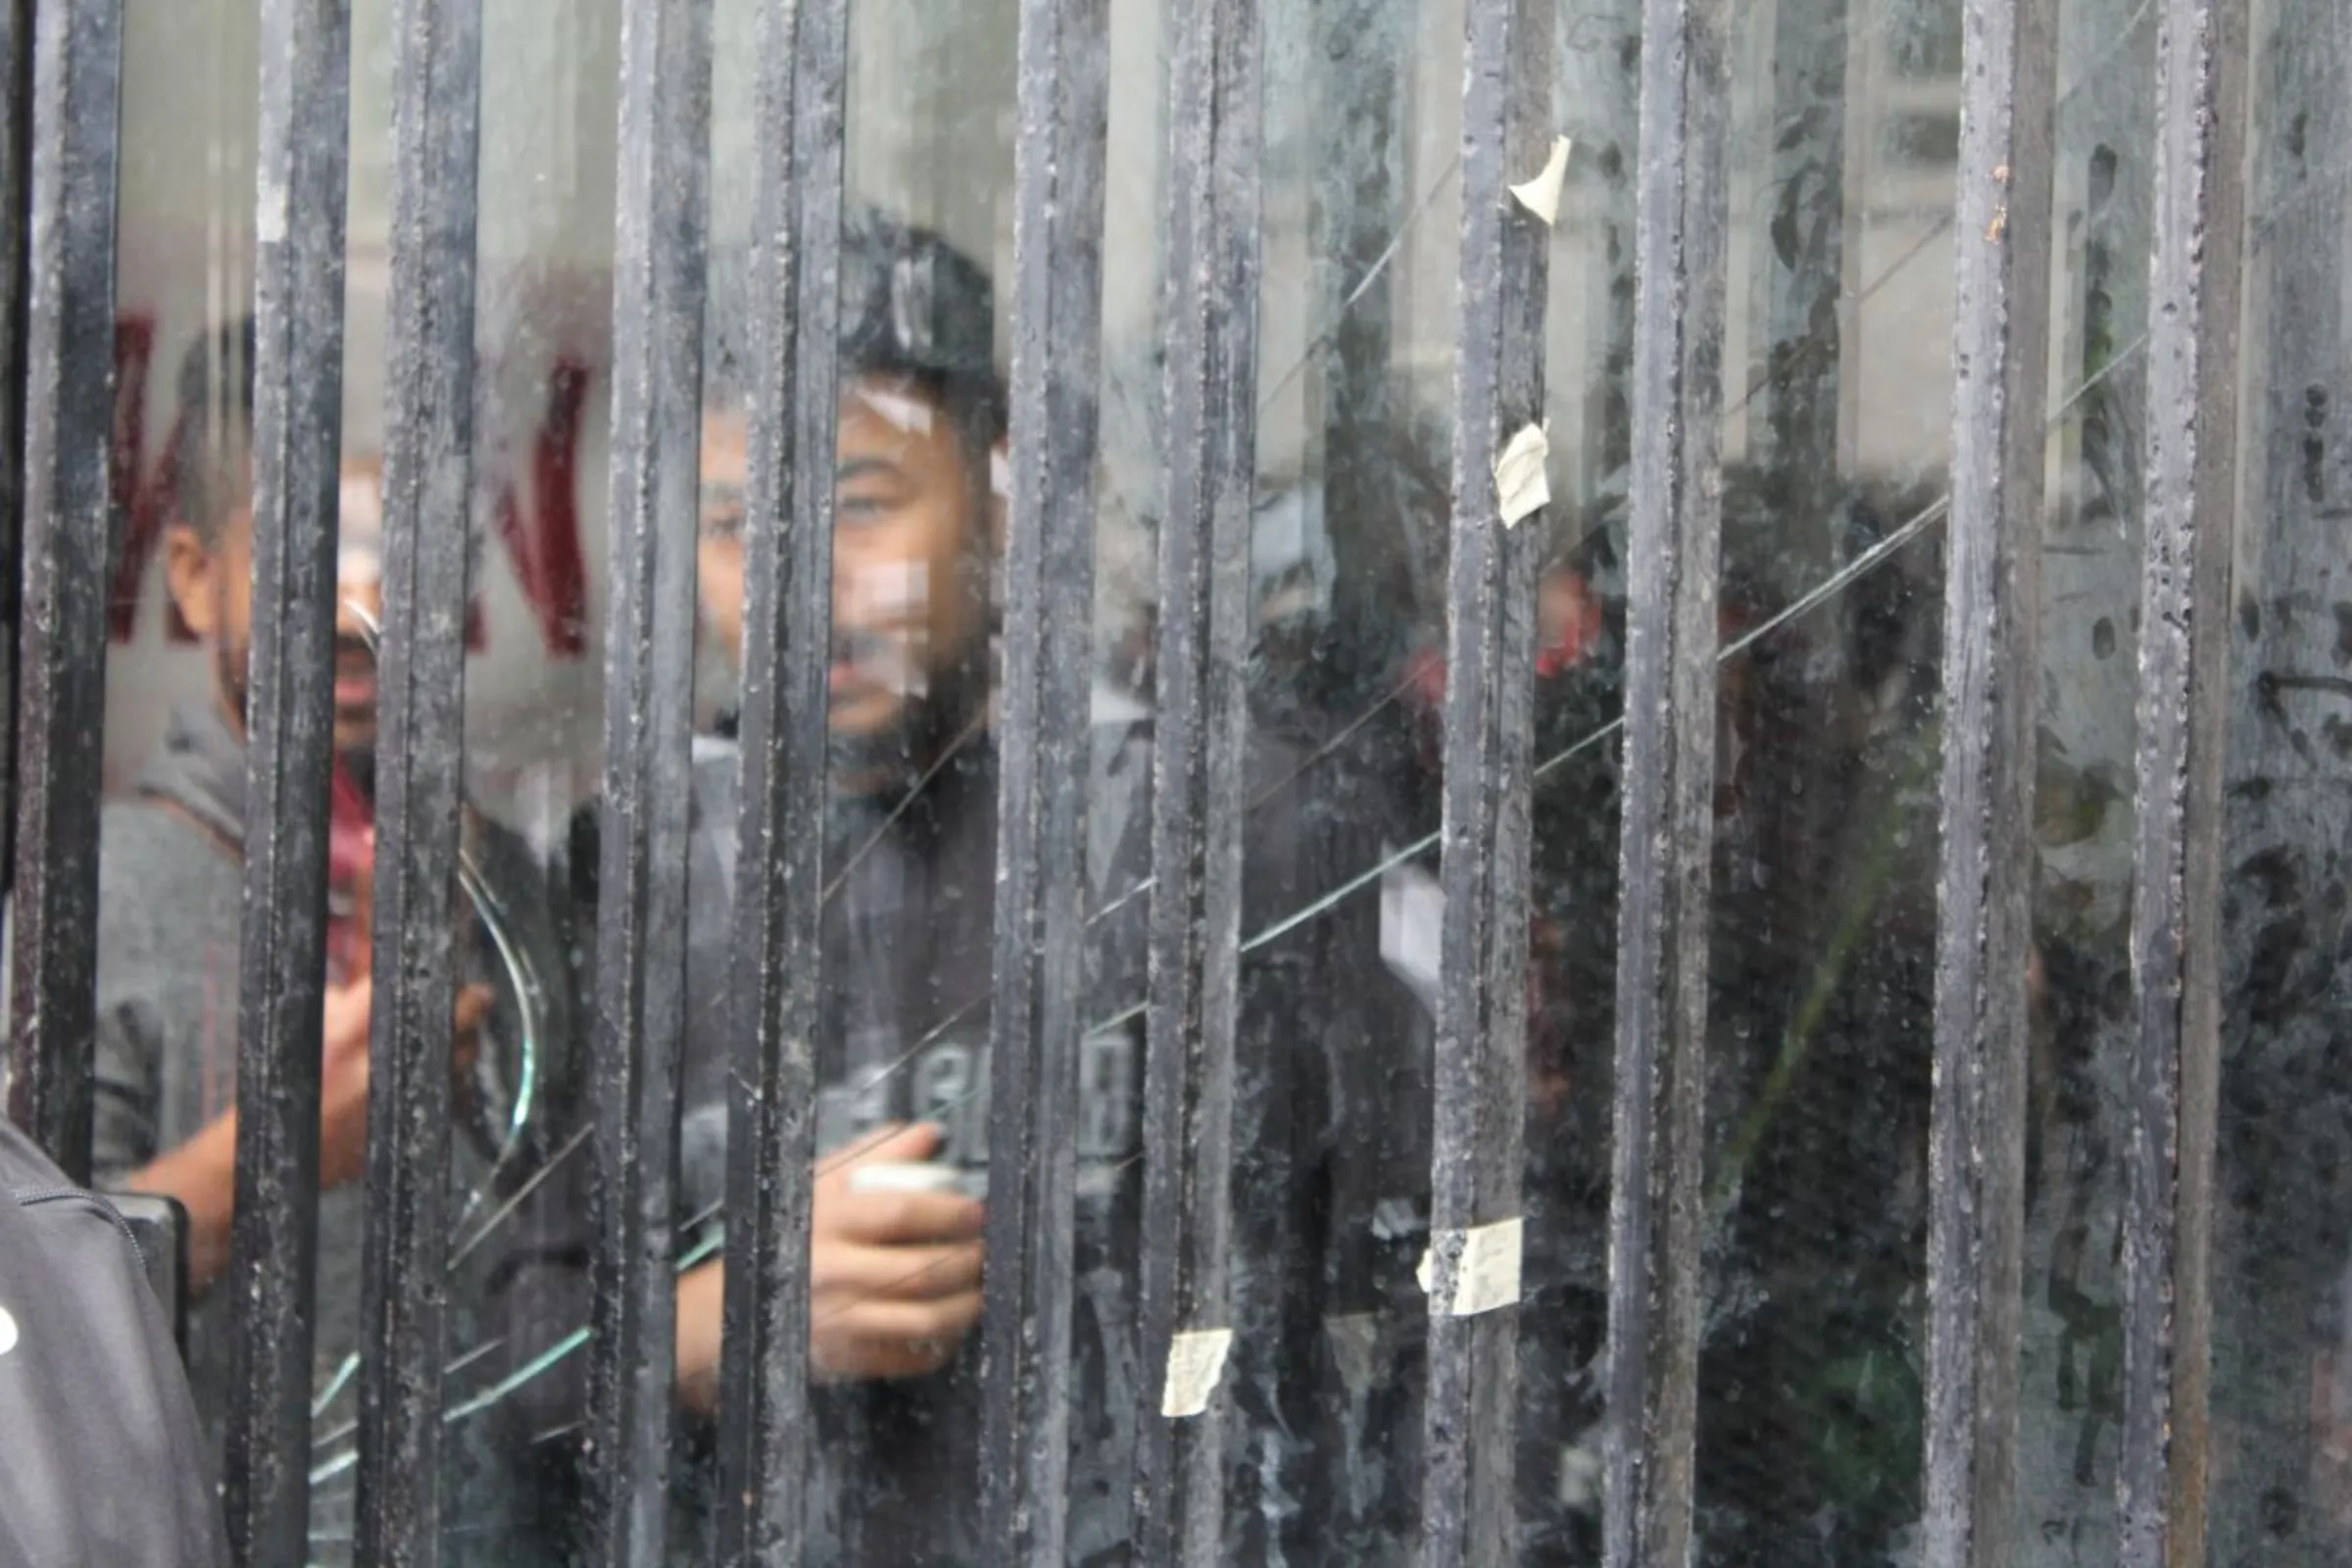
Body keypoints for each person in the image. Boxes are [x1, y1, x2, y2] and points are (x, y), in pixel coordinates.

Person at [494, 213, 1434, 1564]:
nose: (798, 581)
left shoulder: (1218, 831)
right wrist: (721, 1329)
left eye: (862, 502)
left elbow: (1431, 1279)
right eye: (731, 523)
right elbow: (508, 1357)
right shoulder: (638, 873)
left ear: (1000, 498)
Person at [83, 317, 578, 1561]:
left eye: (405, 556)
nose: (363, 608)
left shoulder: (498, 878)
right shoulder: (101, 890)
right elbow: (28, 1318)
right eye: (313, 555)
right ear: (194, 576)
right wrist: (273, 1152)